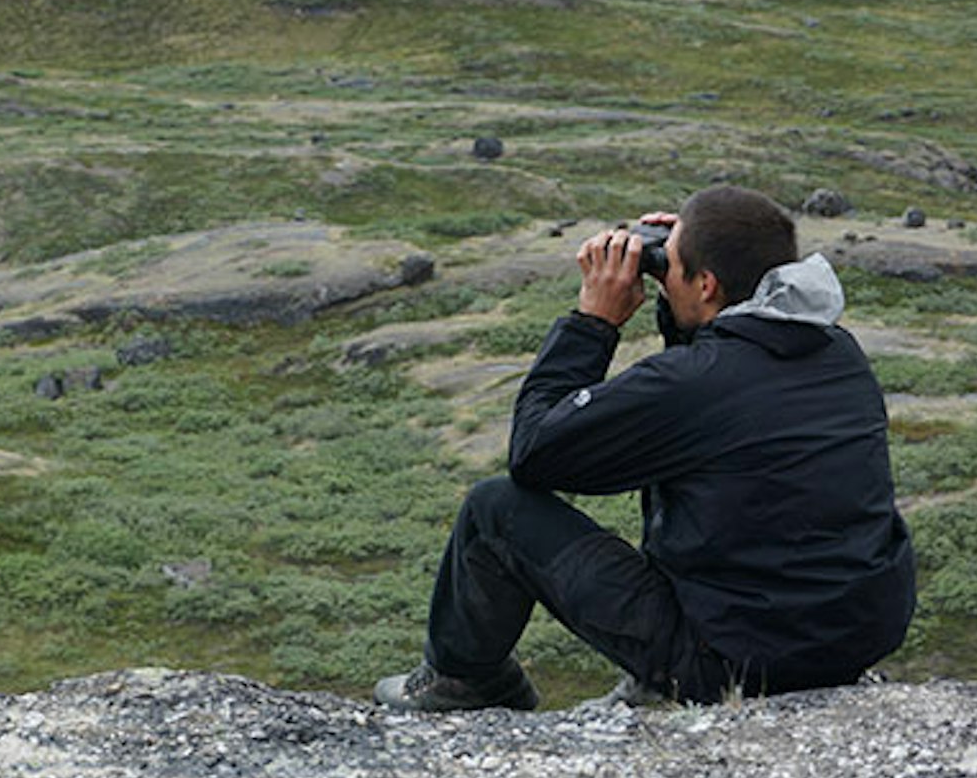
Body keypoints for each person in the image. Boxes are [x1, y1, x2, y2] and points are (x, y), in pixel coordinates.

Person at [376, 185, 916, 711]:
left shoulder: (696, 383)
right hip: (848, 643)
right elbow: (711, 390)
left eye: (672, 263)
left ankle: (466, 683)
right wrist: (678, 282)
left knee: (494, 510)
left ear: (706, 286)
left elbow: (536, 452)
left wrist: (593, 323)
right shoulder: (838, 352)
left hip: (734, 664)